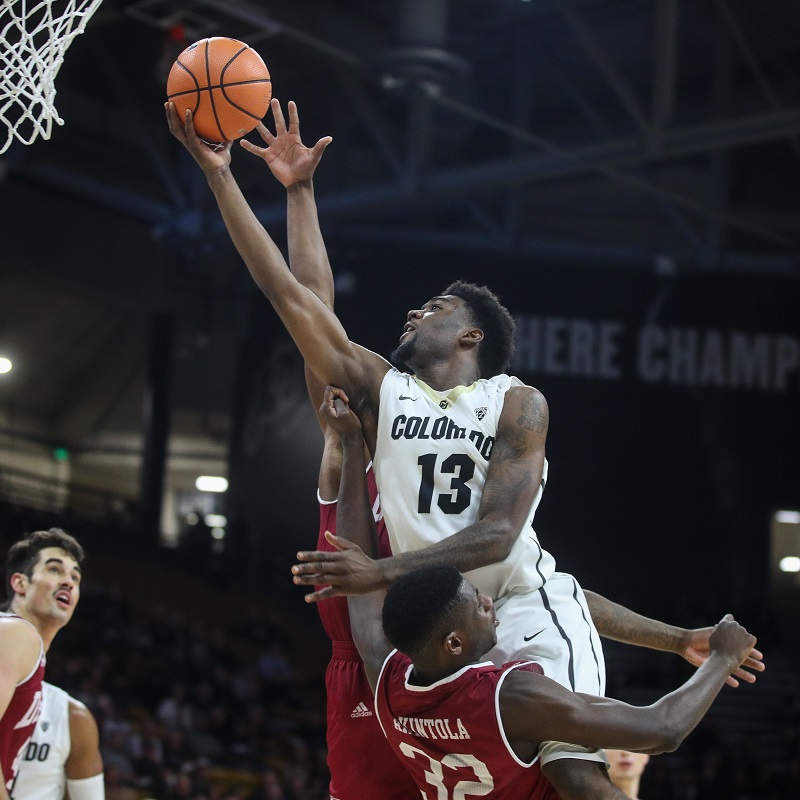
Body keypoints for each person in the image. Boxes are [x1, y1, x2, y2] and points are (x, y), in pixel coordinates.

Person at [165, 99, 764, 796]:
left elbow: (504, 541)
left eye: (438, 308)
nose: (416, 312)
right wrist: (242, 182)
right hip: (432, 623)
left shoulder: (516, 401)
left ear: (472, 337)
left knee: (574, 772)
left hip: (512, 604)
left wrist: (381, 574)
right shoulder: (383, 392)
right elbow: (297, 299)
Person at [313, 384, 758, 800]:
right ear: (454, 642)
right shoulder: (509, 698)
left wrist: (350, 446)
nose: (489, 600)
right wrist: (722, 656)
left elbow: (363, 605)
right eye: (479, 603)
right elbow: (663, 729)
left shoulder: (388, 684)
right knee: (580, 777)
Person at [237, 106, 418, 800]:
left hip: (426, 662)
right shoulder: (348, 445)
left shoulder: (431, 460)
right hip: (357, 674)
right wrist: (298, 192)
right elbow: (309, 303)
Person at [0, 528, 104, 800]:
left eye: (75, 577)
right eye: (55, 570)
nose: (68, 582)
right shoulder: (16, 633)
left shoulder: (23, 649)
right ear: (20, 583)